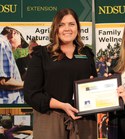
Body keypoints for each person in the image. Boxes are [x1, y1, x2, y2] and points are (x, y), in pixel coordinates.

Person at [23, 8, 97, 139]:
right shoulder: (42, 54)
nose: (67, 28)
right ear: (55, 29)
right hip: (50, 120)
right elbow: (30, 94)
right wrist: (61, 105)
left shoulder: (86, 54)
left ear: (78, 28)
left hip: (83, 121)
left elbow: (93, 86)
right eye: (61, 25)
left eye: (71, 24)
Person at [0, 28, 24, 104]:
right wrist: (30, 84)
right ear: (14, 33)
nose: (19, 47)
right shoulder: (3, 44)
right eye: (21, 43)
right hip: (6, 105)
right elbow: (4, 82)